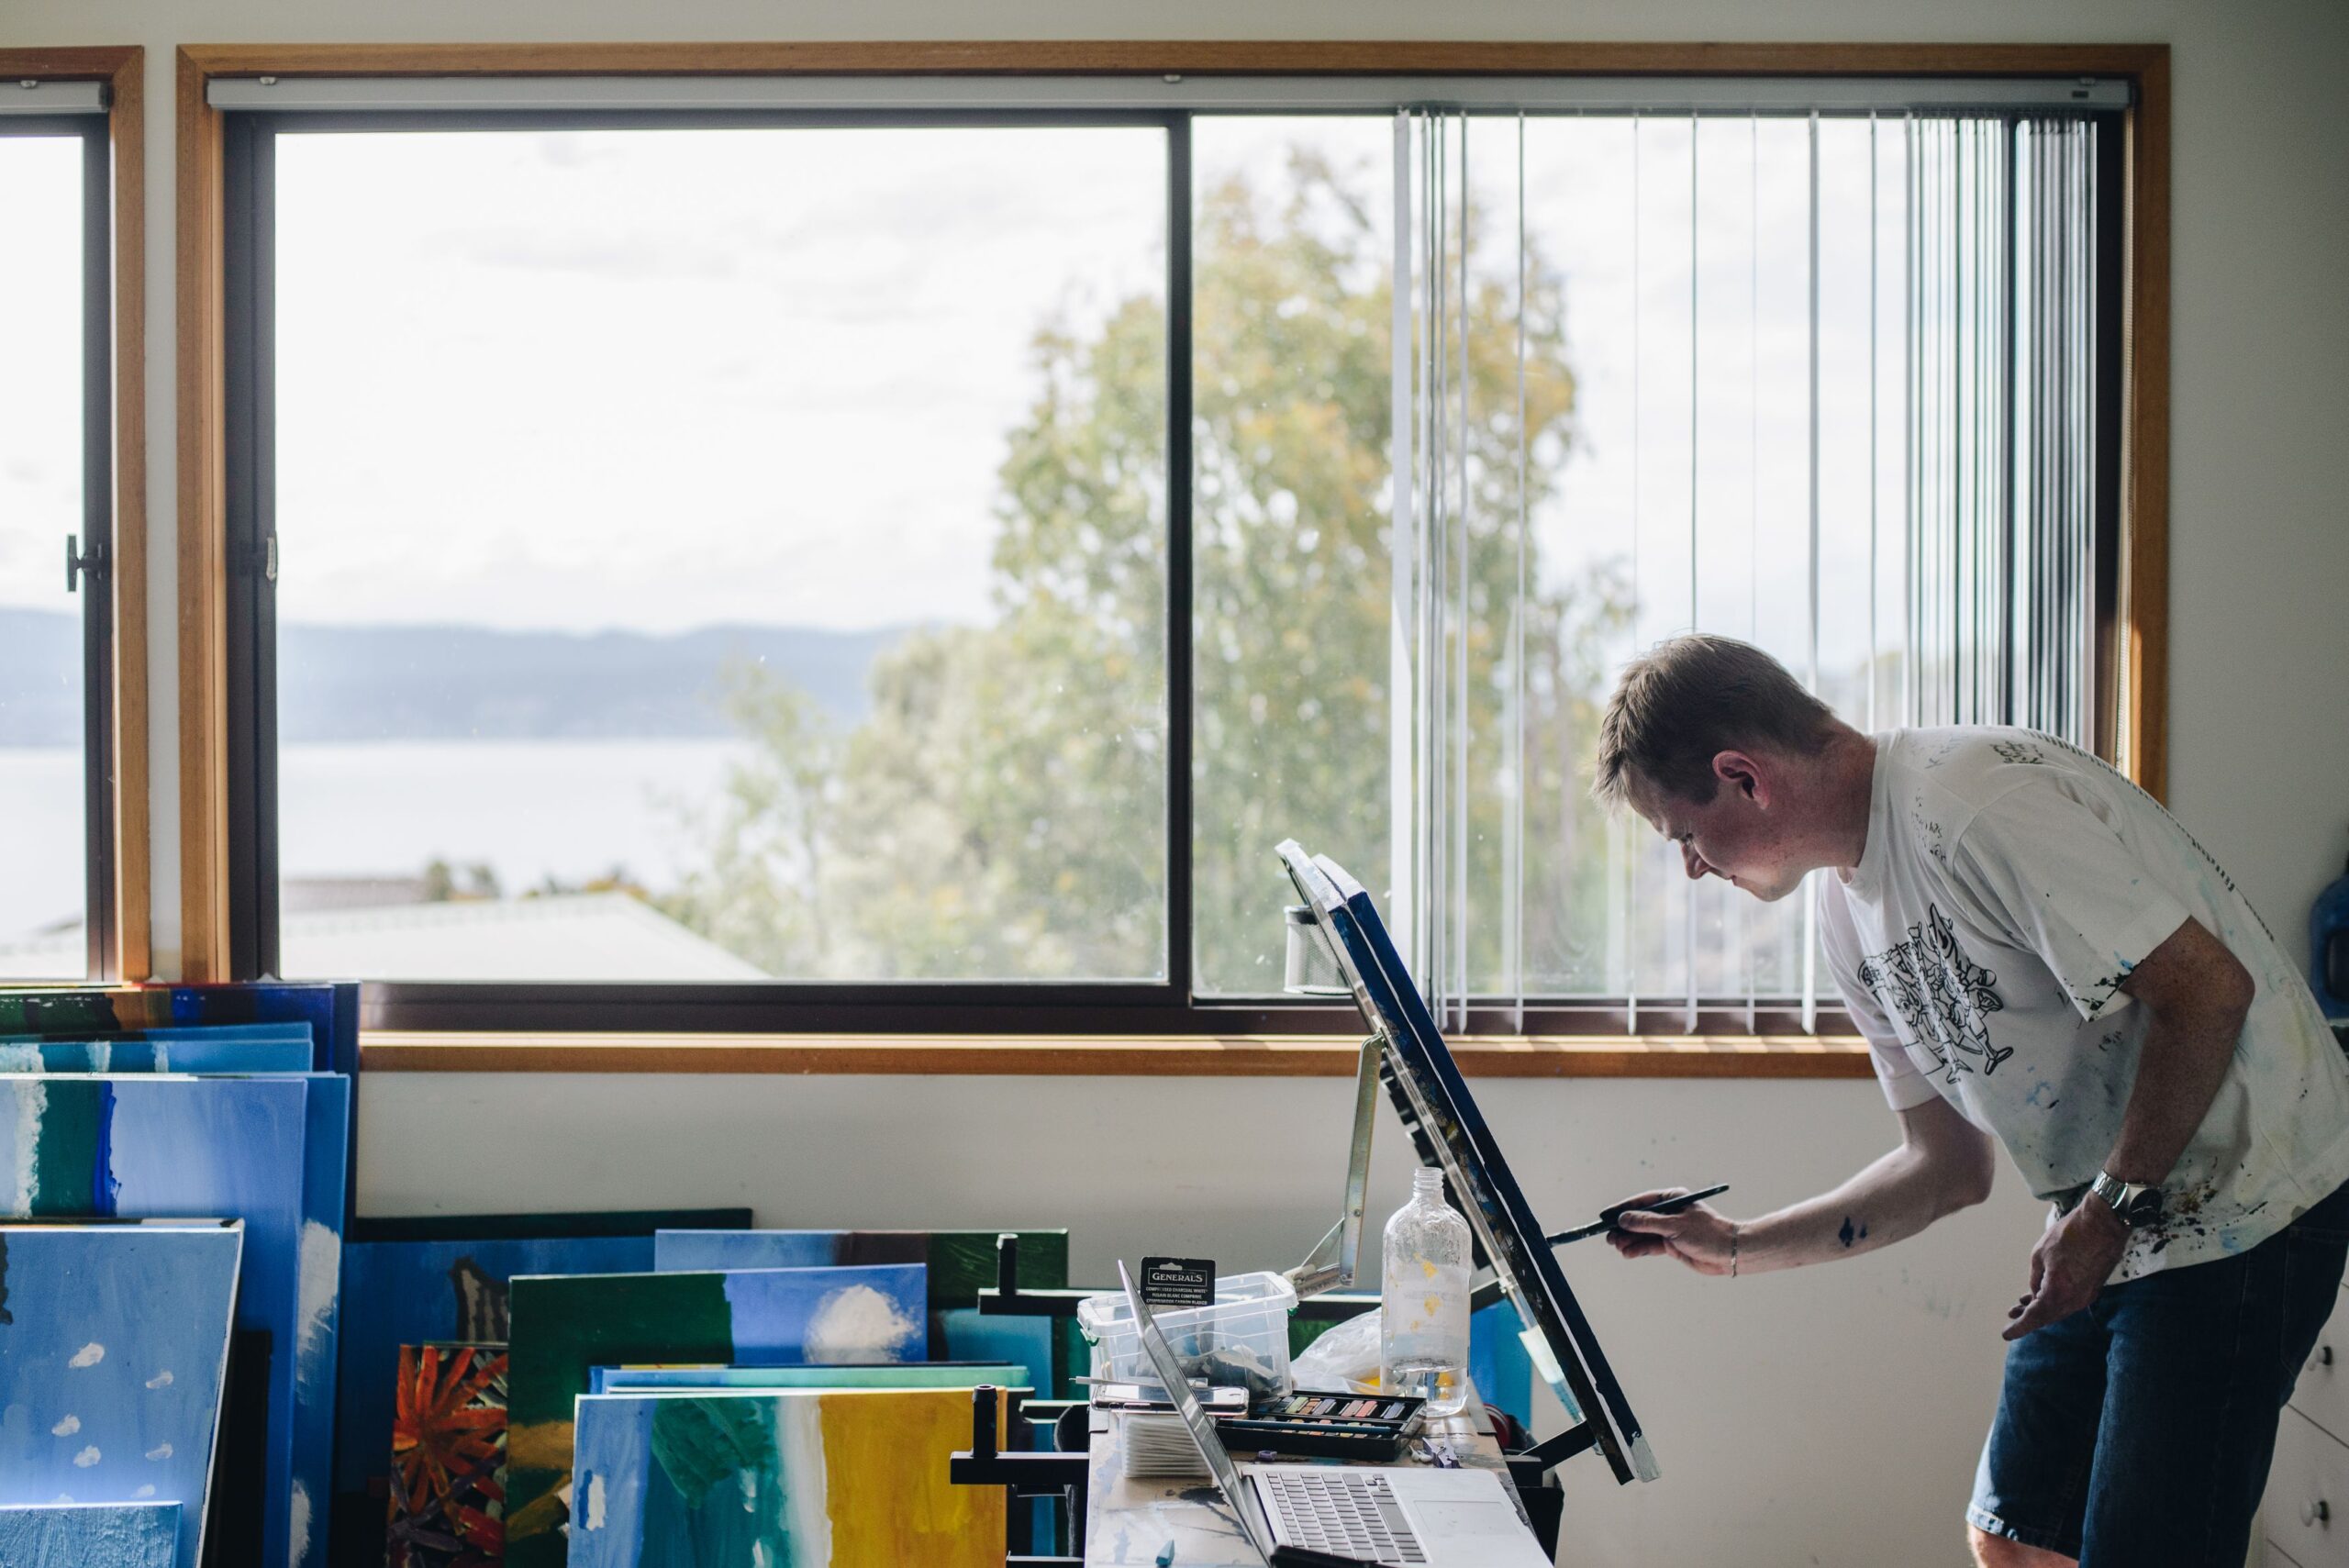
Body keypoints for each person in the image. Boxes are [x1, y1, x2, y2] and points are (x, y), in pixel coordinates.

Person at [1591, 632, 2349, 1568]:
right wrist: (1739, 1244)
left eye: (1684, 837)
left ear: (1742, 777)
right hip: (2111, 1207)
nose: (1692, 868)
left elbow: (2208, 991)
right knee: (2013, 1535)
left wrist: (2106, 1207)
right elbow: (1943, 1168)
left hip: (2248, 1193)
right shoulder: (1843, 909)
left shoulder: (1974, 800)